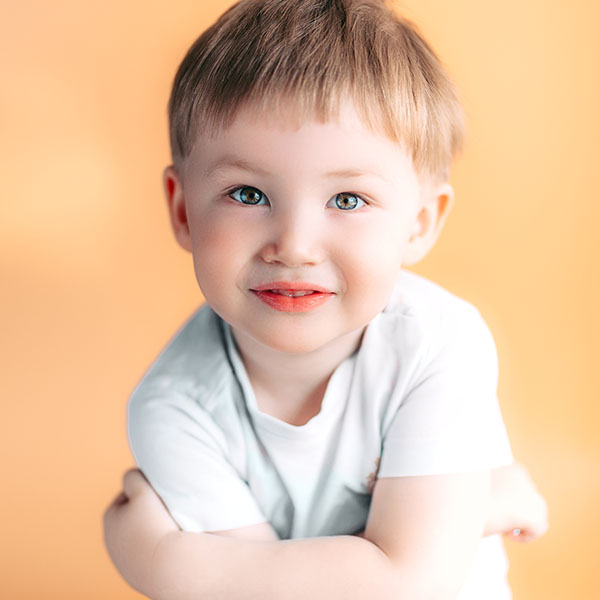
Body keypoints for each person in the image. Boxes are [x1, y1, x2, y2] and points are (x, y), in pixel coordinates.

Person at [103, 1, 548, 598]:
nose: (294, 247)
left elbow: (409, 585)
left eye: (347, 200)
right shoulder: (173, 409)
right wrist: (469, 511)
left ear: (418, 224)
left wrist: (166, 564)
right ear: (183, 210)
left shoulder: (438, 343)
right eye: (247, 193)